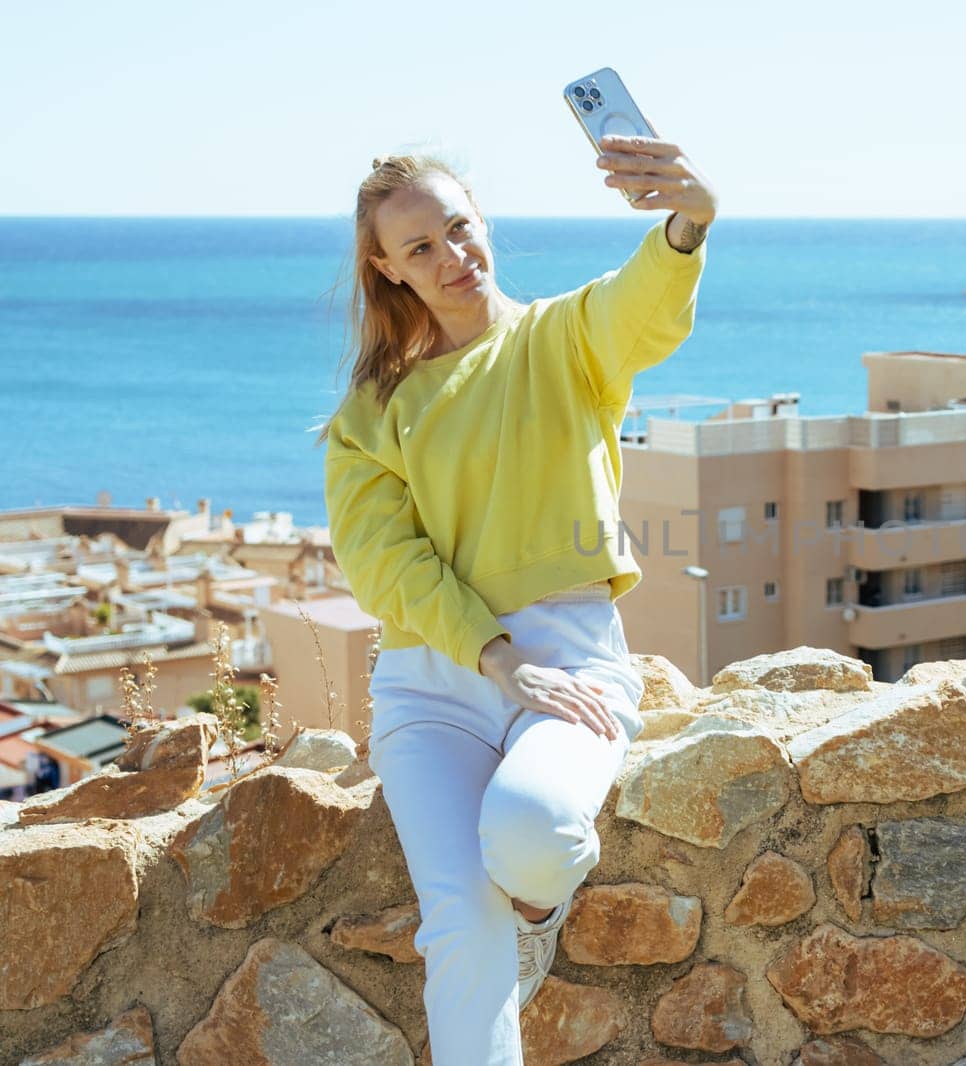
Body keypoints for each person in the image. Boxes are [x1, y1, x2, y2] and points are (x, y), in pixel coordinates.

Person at [316, 134, 715, 1065]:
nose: (453, 257)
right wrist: (498, 656)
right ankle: (503, 939)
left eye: (460, 228)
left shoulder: (564, 338)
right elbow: (386, 566)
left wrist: (688, 223)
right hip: (432, 681)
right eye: (420, 247)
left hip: (570, 657)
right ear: (386, 268)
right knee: (460, 925)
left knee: (533, 840)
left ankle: (538, 915)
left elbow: (644, 309)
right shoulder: (371, 416)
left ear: (483, 221)